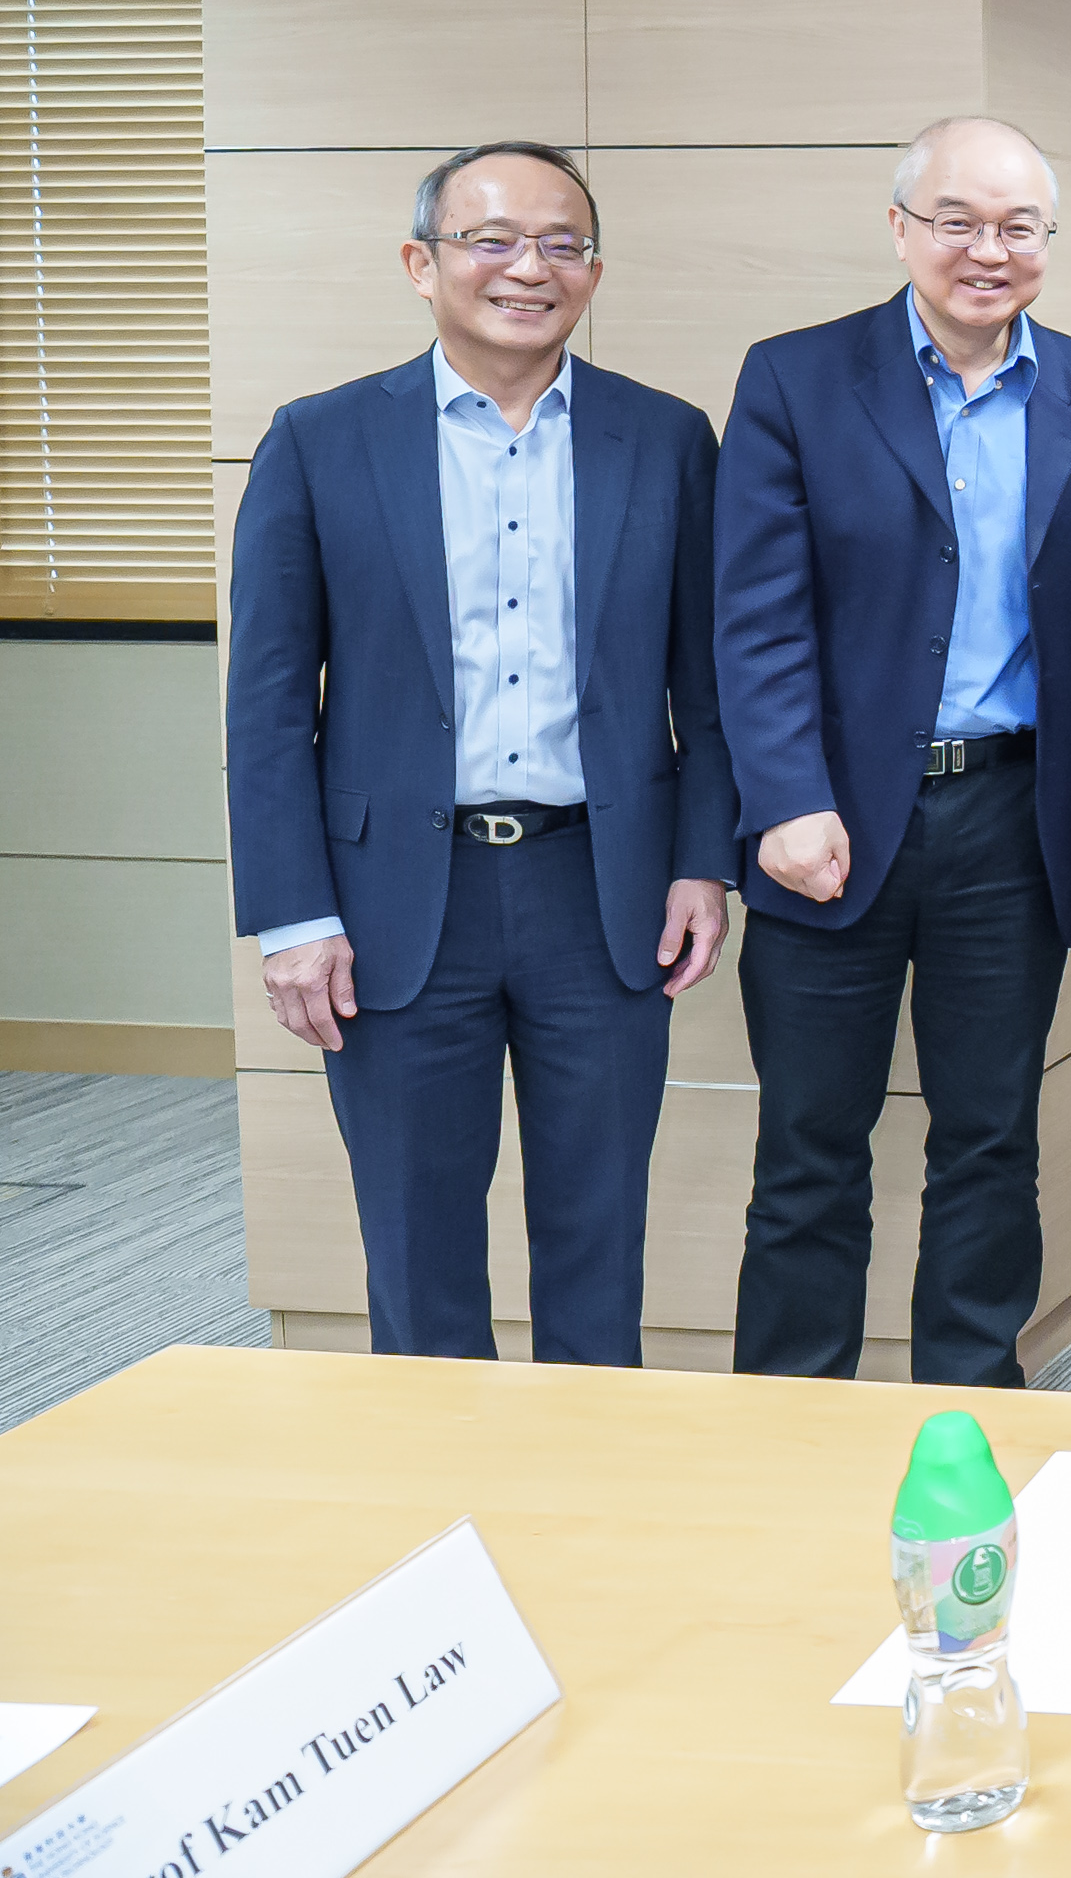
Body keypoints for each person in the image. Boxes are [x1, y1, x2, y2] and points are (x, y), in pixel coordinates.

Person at [224, 141, 732, 1362]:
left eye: (563, 244)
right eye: (492, 239)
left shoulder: (665, 439)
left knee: (599, 1238)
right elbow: (267, 704)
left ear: (595, 272)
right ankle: (437, 1507)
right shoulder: (322, 439)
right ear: (422, 262)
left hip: (598, 890)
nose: (530, 268)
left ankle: (587, 1509)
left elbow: (706, 689)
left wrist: (702, 863)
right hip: (394, 902)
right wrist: (292, 916)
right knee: (415, 1242)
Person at [713, 116, 1071, 1388]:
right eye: (958, 222)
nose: (989, 250)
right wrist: (786, 799)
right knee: (812, 1144)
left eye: (1018, 227)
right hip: (829, 826)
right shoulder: (795, 380)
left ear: (1046, 242)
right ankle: (794, 1414)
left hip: (1010, 816)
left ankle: (972, 1400)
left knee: (989, 1138)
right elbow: (752, 616)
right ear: (901, 229)